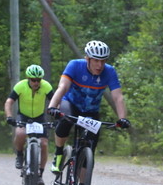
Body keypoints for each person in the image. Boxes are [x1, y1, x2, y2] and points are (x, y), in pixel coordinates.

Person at [46, 40, 131, 172]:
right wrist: (52, 107)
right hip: (71, 103)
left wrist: (123, 118)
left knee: (90, 147)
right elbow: (62, 87)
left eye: (103, 61)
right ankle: (58, 153)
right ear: (87, 58)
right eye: (96, 60)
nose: (100, 65)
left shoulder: (109, 71)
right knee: (65, 121)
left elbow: (118, 97)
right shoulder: (74, 65)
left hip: (91, 111)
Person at [4, 64, 54, 185]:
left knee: (44, 144)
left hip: (39, 117)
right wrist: (9, 116)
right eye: (33, 80)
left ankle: (40, 175)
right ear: (28, 79)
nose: (36, 82)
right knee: (20, 133)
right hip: (24, 115)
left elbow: (55, 101)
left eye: (38, 80)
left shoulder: (46, 86)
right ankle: (20, 155)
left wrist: (57, 115)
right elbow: (9, 102)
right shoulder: (20, 86)